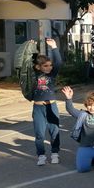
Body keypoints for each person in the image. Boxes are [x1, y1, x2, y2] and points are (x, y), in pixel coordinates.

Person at [31, 38, 62, 166]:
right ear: (38, 67)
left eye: (50, 65)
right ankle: (41, 155)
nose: (49, 67)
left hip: (51, 106)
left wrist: (54, 47)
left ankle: (55, 153)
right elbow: (29, 63)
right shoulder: (34, 75)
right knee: (39, 133)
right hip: (38, 108)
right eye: (45, 65)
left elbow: (59, 62)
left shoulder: (51, 75)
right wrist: (32, 49)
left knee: (54, 131)